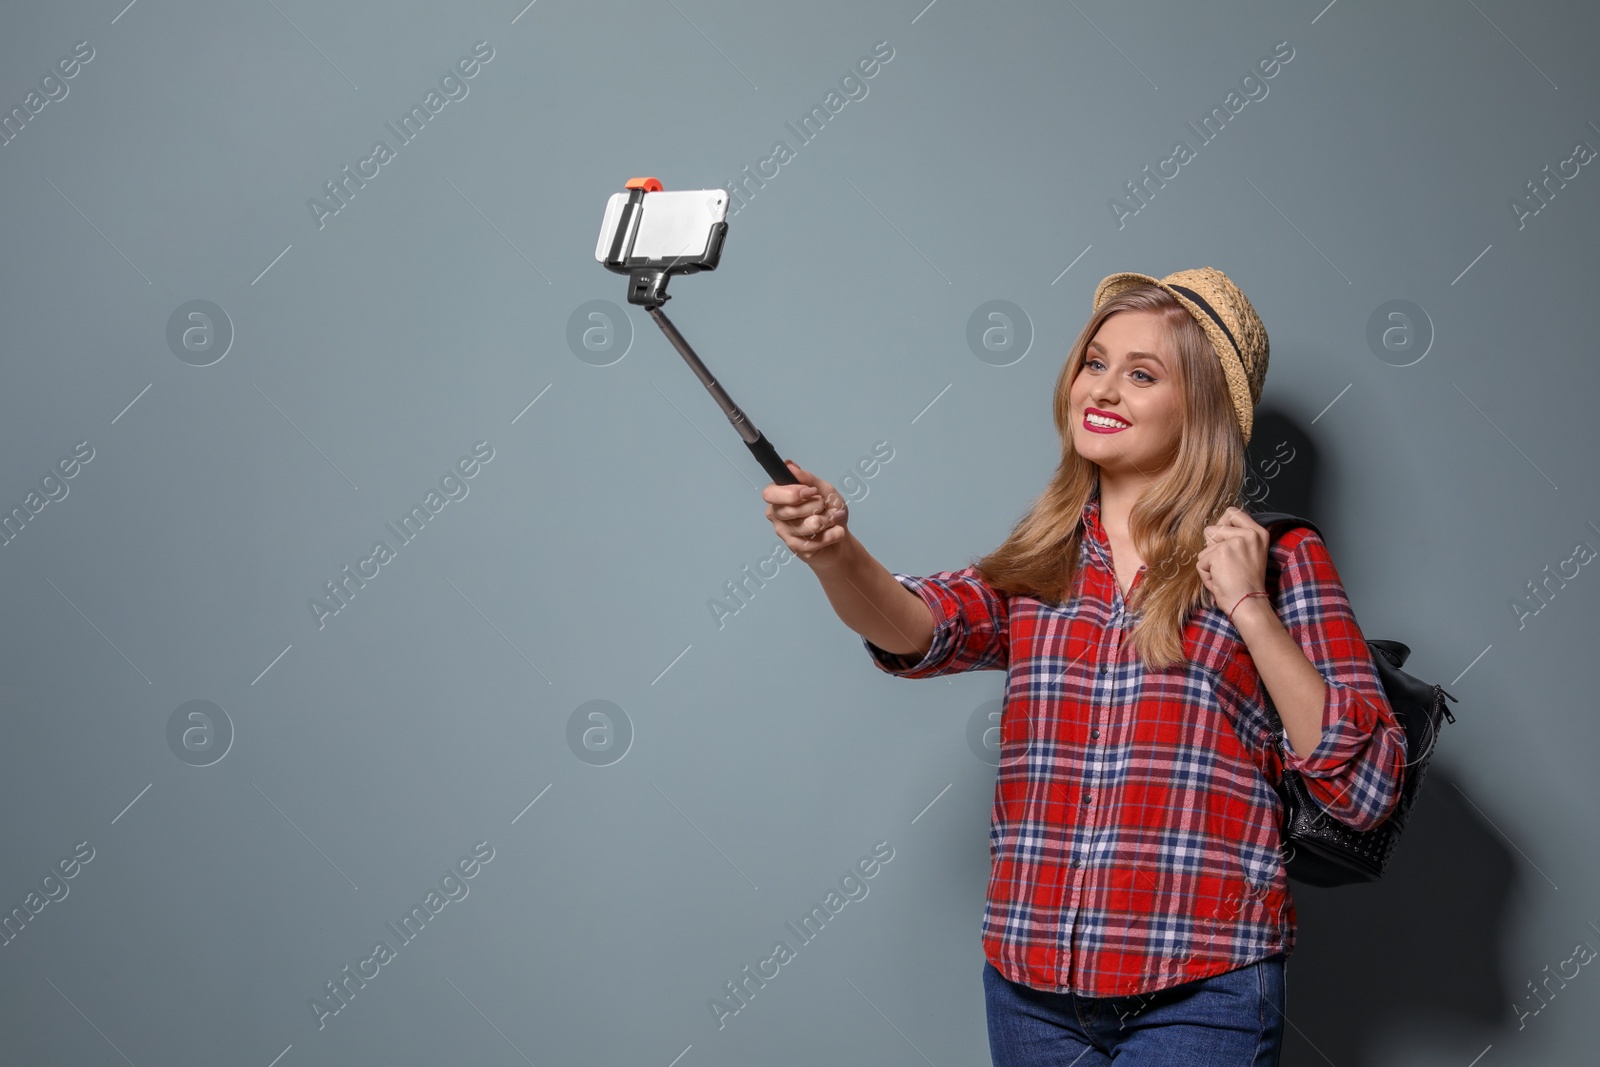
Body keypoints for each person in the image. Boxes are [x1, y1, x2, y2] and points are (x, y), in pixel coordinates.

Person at [760, 267, 1406, 1066]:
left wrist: (1247, 607)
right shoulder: (1046, 560)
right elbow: (919, 628)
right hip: (1031, 990)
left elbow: (1368, 786)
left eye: (1142, 373)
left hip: (1202, 989)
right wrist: (834, 552)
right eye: (1095, 362)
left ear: (1202, 408)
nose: (1102, 388)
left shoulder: (1279, 558)